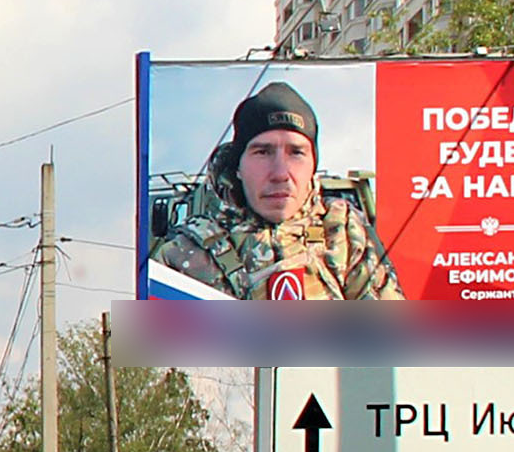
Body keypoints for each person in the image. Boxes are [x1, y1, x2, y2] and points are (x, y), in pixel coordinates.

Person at [151, 81, 402, 301]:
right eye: (263, 152)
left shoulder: (343, 234)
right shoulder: (183, 254)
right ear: (238, 165)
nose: (280, 173)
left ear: (314, 164)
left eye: (296, 152)